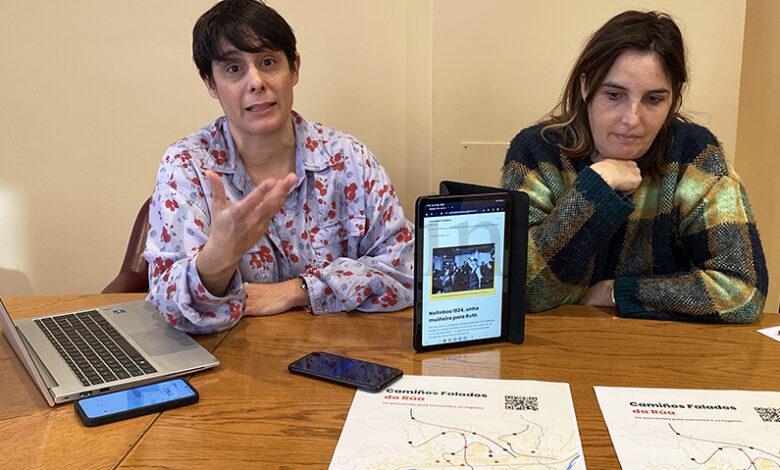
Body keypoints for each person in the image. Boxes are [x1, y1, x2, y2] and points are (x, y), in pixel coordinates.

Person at [144, 0, 414, 334]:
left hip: (338, 349)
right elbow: (168, 305)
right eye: (233, 69)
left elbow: (407, 268)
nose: (256, 82)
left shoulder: (349, 159)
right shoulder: (187, 166)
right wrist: (216, 261)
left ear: (294, 69)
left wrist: (300, 290)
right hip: (232, 355)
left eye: (268, 62)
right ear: (210, 83)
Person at [501, 10, 768, 323]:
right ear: (586, 86)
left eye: (653, 100)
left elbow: (742, 291)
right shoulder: (536, 150)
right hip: (558, 342)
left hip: (660, 346)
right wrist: (595, 189)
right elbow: (522, 290)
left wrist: (618, 292)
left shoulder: (694, 153)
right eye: (614, 95)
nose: (631, 119)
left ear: (673, 99)